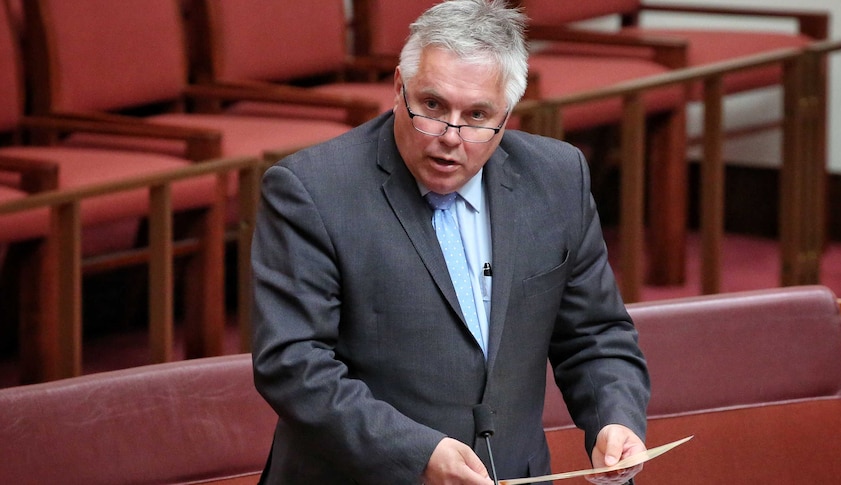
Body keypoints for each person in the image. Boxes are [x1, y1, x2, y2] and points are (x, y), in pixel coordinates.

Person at [251, 1, 650, 483]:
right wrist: (416, 453)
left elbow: (595, 333)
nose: (449, 136)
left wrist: (614, 418)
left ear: (507, 114)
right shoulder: (312, 190)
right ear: (399, 87)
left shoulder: (557, 178)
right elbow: (293, 363)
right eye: (433, 106)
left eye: (477, 115)